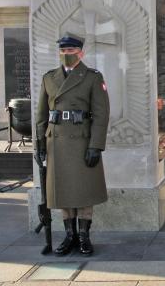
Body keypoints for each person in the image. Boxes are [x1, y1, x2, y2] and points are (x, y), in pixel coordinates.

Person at [35, 33, 110, 256]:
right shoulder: (49, 78)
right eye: (64, 51)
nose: (67, 55)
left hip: (82, 141)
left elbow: (101, 114)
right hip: (56, 143)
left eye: (71, 51)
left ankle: (85, 236)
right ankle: (70, 236)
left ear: (81, 53)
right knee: (63, 190)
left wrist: (96, 145)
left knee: (84, 189)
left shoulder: (92, 77)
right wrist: (39, 142)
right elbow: (41, 114)